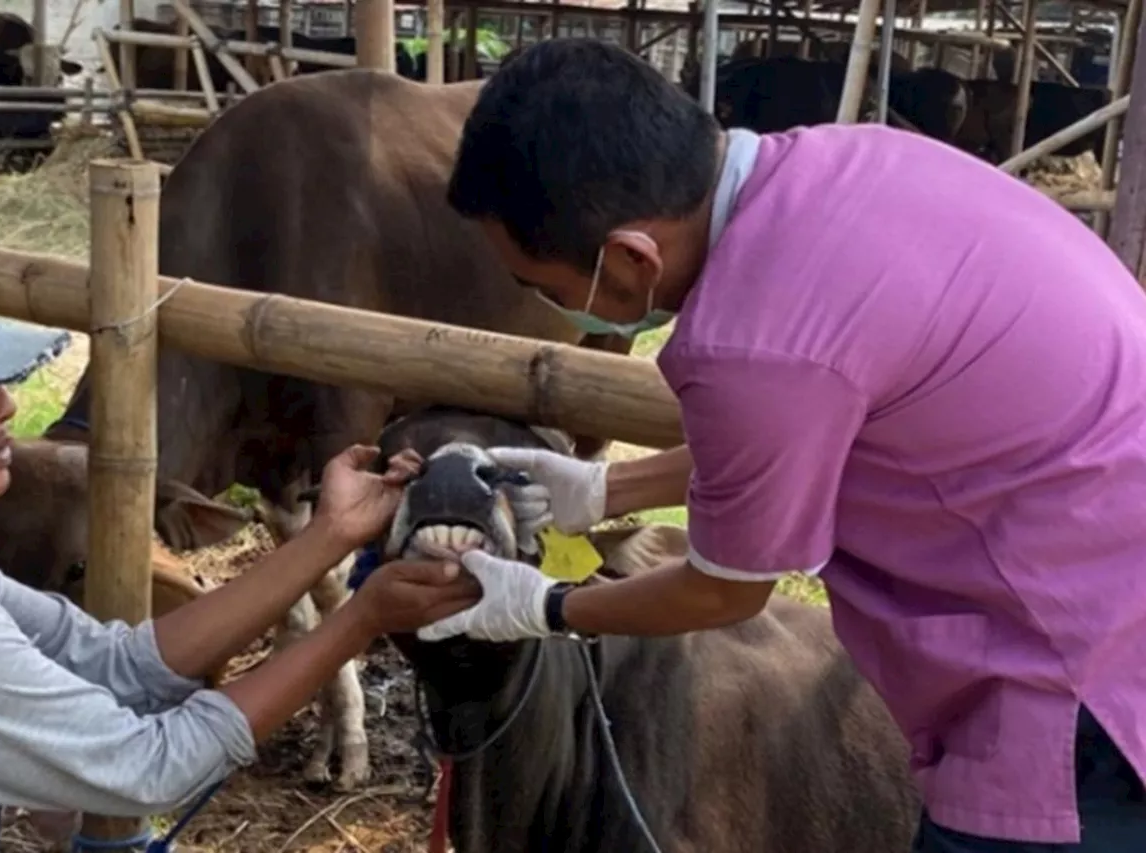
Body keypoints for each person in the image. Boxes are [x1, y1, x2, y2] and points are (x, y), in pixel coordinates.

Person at [414, 38, 1146, 852]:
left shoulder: (749, 345)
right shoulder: (839, 164)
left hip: (1076, 666)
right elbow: (820, 428)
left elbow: (723, 592)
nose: (552, 304)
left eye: (544, 288)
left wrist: (544, 605)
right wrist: (605, 490)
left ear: (629, 257)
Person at [0, 250, 481, 853]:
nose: (6, 406)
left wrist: (330, 535)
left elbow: (117, 663)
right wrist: (361, 619)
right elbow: (148, 765)